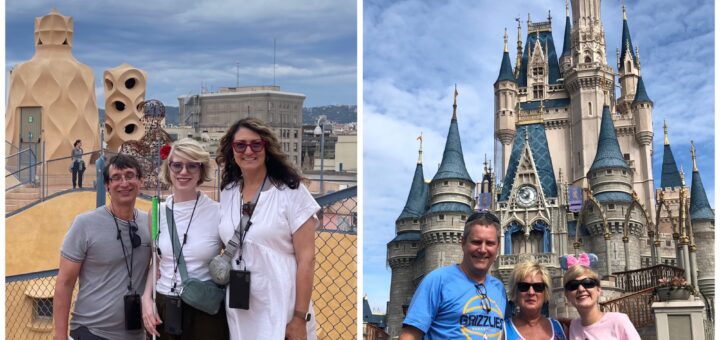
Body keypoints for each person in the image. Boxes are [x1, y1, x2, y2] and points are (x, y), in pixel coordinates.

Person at [216, 117, 320, 340]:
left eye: (256, 144)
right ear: (231, 150)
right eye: (240, 145)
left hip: (281, 307)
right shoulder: (228, 192)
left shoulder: (291, 193)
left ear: (267, 148)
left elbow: (307, 258)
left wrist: (299, 318)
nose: (248, 151)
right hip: (241, 309)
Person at [54, 154, 151, 340]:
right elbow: (65, 282)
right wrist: (60, 336)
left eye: (130, 176)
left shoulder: (149, 223)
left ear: (141, 181)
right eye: (116, 178)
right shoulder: (84, 224)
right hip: (91, 331)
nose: (124, 183)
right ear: (107, 185)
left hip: (136, 335)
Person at [141, 138, 229, 339]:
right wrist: (147, 298)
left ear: (201, 170)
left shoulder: (218, 213)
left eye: (192, 166)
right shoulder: (156, 212)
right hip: (163, 306)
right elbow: (156, 261)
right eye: (177, 165)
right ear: (168, 168)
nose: (183, 172)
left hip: (203, 308)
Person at [400, 210, 507, 339]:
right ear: (463, 243)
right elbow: (409, 336)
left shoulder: (499, 288)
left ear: (498, 247)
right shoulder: (437, 281)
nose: (483, 250)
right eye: (476, 242)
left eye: (490, 243)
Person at [562, 253, 641, 340]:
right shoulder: (573, 327)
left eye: (588, 283)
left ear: (599, 290)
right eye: (573, 285)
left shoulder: (618, 321)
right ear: (567, 295)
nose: (581, 289)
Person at [504, 261, 567, 340]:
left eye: (538, 287)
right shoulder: (503, 330)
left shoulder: (560, 327)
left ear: (545, 292)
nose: (531, 292)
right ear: (515, 291)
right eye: (524, 286)